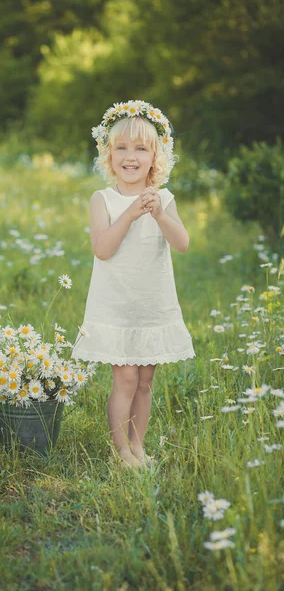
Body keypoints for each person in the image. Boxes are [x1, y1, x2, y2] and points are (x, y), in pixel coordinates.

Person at [71, 100, 196, 470]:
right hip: (115, 305)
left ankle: (138, 446)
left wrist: (158, 213)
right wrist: (130, 212)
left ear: (155, 157)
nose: (131, 156)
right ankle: (120, 450)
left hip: (151, 304)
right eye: (122, 148)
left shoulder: (164, 199)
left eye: (141, 148)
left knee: (144, 381)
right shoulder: (103, 200)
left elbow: (183, 243)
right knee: (125, 379)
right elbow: (103, 249)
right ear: (109, 156)